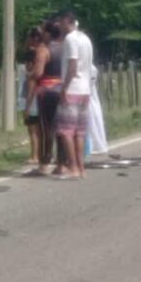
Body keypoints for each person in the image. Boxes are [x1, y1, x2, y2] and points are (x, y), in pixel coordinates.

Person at [56, 11, 94, 180]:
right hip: (85, 89)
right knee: (79, 132)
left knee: (66, 131)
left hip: (72, 88)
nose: (59, 26)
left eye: (60, 22)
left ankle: (73, 167)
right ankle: (81, 167)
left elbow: (72, 64)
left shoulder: (71, 39)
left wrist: (64, 87)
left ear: (67, 21)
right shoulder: (86, 38)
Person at [36, 20, 63, 174]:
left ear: (48, 33)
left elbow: (38, 73)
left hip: (47, 91)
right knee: (62, 127)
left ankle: (44, 163)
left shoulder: (44, 49)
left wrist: (30, 73)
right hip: (63, 90)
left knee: (46, 128)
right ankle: (62, 163)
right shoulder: (66, 47)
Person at [22, 29, 44, 166]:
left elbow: (31, 82)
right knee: (38, 128)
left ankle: (34, 155)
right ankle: (39, 154)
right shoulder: (42, 51)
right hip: (40, 96)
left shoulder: (35, 55)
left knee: (33, 128)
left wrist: (27, 105)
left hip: (33, 98)